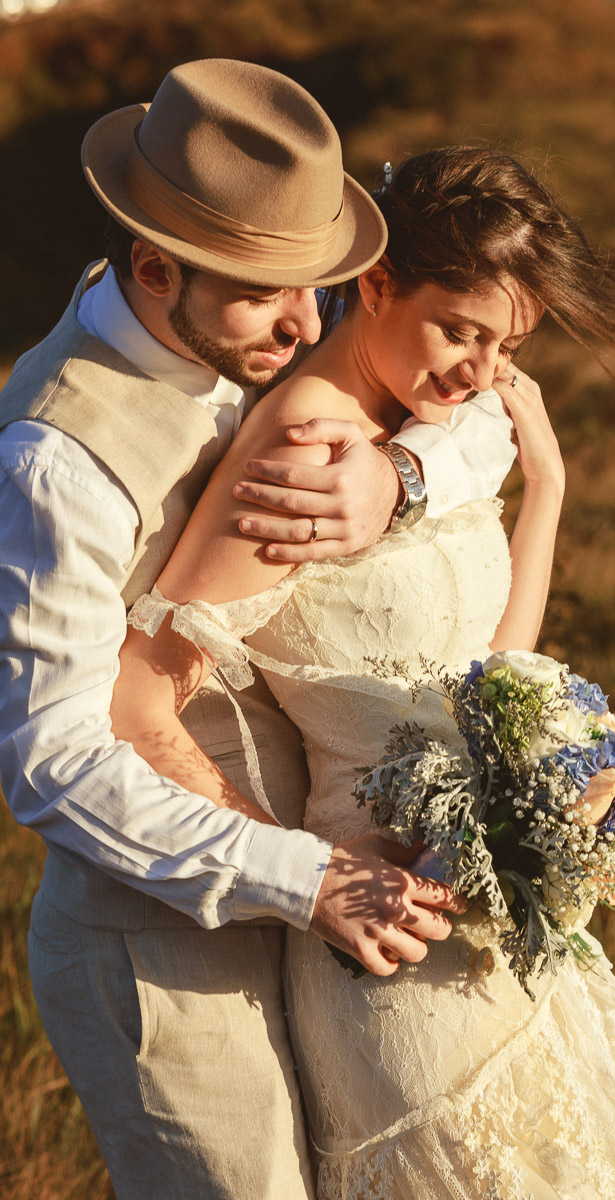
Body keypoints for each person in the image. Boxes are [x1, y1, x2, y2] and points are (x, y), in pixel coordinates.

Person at [113, 146, 615, 1198]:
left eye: (507, 346)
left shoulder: (419, 428)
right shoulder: (297, 457)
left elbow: (492, 673)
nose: (480, 374)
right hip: (389, 943)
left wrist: (546, 493)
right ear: (378, 282)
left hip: (502, 932)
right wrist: (310, 872)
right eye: (461, 331)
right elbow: (136, 697)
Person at [0, 62, 522, 1200]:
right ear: (153, 268)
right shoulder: (55, 461)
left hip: (317, 916)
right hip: (160, 953)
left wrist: (398, 478)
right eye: (266, 297)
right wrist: (304, 877)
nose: (305, 324)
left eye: (319, 289)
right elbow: (50, 761)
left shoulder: (251, 311)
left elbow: (486, 404)